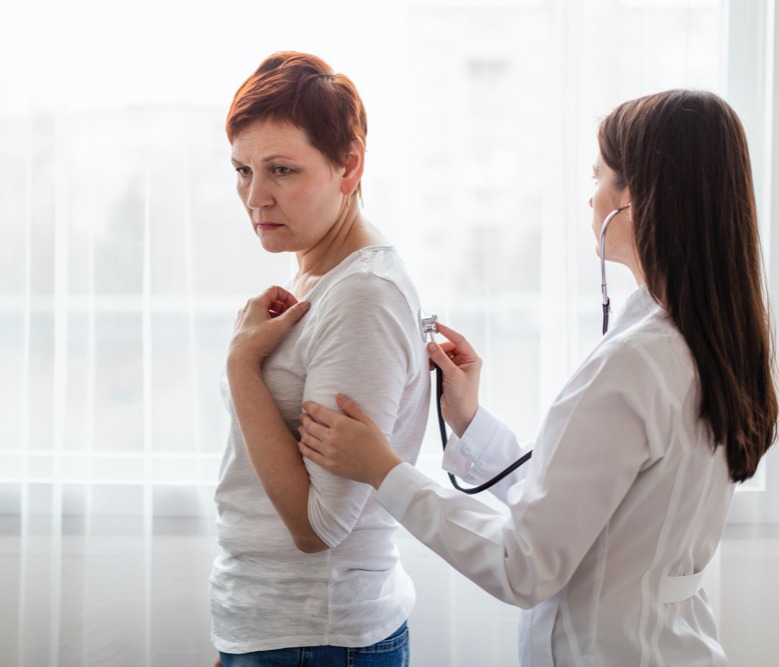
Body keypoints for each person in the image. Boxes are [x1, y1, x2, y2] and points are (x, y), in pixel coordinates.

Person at [296, 89, 777, 665]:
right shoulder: (708, 341)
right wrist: (470, 423)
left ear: (639, 201)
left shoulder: (637, 362)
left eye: (599, 176)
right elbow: (579, 510)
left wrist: (384, 471)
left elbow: (523, 566)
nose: (590, 196)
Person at [210, 52, 430, 667]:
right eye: (242, 170)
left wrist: (240, 367)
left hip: (318, 637)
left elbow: (319, 527)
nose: (255, 196)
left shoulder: (363, 295)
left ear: (348, 165)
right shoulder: (319, 279)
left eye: (281, 170)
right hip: (276, 628)